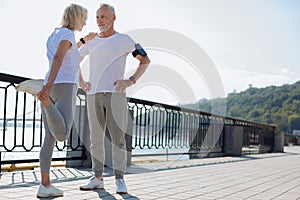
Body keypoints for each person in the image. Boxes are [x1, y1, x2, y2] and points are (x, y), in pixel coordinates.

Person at [16, 3, 96, 198]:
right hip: (64, 87)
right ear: (76, 17)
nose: (85, 22)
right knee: (61, 134)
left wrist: (84, 41)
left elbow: (68, 55)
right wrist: (47, 89)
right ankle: (45, 101)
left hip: (52, 84)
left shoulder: (55, 34)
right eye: (84, 18)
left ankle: (45, 186)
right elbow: (60, 59)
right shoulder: (68, 34)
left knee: (49, 139)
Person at [79, 3, 150, 194]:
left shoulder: (124, 40)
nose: (100, 20)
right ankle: (97, 177)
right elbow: (73, 60)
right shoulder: (92, 42)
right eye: (97, 17)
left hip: (115, 95)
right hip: (93, 95)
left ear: (113, 18)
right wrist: (81, 82)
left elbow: (145, 60)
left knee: (118, 138)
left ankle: (119, 178)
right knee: (95, 139)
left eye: (103, 16)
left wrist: (130, 80)